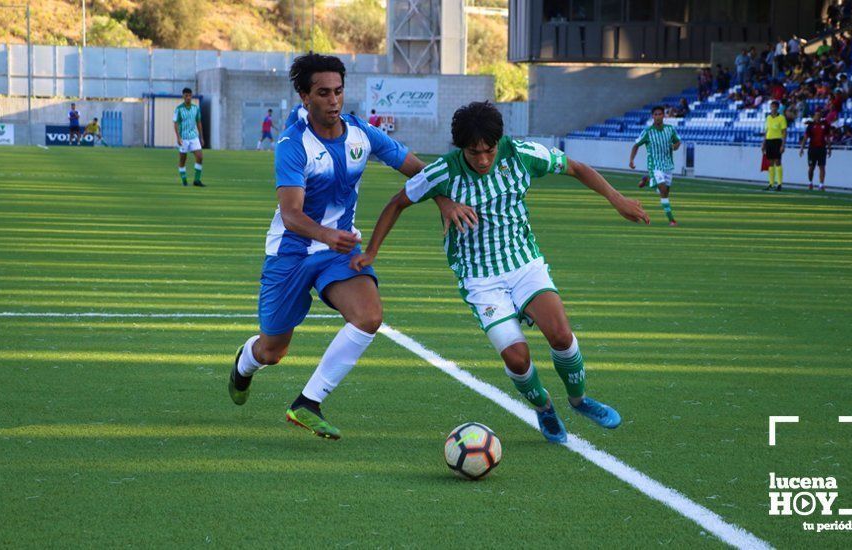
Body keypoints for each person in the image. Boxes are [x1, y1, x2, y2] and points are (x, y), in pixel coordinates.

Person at [350, 101, 649, 444]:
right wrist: (372, 251)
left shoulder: (522, 154)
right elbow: (397, 203)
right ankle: (545, 408)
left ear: (498, 143)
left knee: (561, 336)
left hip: (524, 264)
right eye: (473, 152)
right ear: (460, 147)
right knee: (517, 359)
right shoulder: (442, 172)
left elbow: (577, 168)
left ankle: (580, 400)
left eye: (488, 150)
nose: (482, 159)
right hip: (480, 280)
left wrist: (617, 199)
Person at [227, 54, 474, 440]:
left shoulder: (362, 133)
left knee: (368, 315)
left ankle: (307, 403)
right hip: (291, 253)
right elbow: (291, 214)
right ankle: (244, 363)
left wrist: (444, 200)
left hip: (338, 253)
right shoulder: (293, 145)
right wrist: (326, 235)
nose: (334, 101)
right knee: (273, 351)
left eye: (338, 91)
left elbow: (417, 169)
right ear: (304, 96)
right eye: (323, 93)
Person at [630, 106, 682, 226]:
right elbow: (636, 145)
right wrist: (631, 160)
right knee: (663, 191)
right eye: (655, 114)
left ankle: (647, 180)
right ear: (652, 116)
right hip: (655, 166)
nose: (657, 116)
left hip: (668, 166)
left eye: (660, 114)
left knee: (665, 193)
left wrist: (675, 146)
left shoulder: (670, 129)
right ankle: (671, 220)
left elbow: (678, 141)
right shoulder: (648, 132)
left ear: (664, 116)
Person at [173, 88, 205, 187]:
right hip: (184, 138)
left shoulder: (196, 108)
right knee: (183, 159)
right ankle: (184, 180)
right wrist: (178, 138)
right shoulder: (179, 109)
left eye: (190, 95)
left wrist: (201, 137)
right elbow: (176, 124)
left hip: (194, 137)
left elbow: (199, 122)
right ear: (183, 96)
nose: (188, 97)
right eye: (186, 95)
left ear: (191, 96)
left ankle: (197, 180)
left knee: (200, 157)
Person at [799, 110, 832, 191]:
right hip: (812, 149)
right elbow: (805, 138)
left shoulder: (825, 126)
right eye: (816, 115)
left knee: (822, 167)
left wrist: (829, 148)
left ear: (821, 117)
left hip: (822, 149)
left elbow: (828, 138)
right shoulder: (810, 126)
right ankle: (810, 183)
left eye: (819, 115)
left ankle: (821, 185)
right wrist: (802, 148)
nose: (817, 117)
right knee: (811, 168)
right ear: (814, 117)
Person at [763, 100, 787, 191]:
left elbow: (784, 132)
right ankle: (771, 183)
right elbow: (766, 131)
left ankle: (779, 184)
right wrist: (763, 143)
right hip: (769, 141)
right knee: (770, 162)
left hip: (777, 141)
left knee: (778, 161)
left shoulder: (781, 118)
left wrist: (783, 145)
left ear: (777, 108)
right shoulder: (768, 117)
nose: (772, 108)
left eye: (774, 107)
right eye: (771, 106)